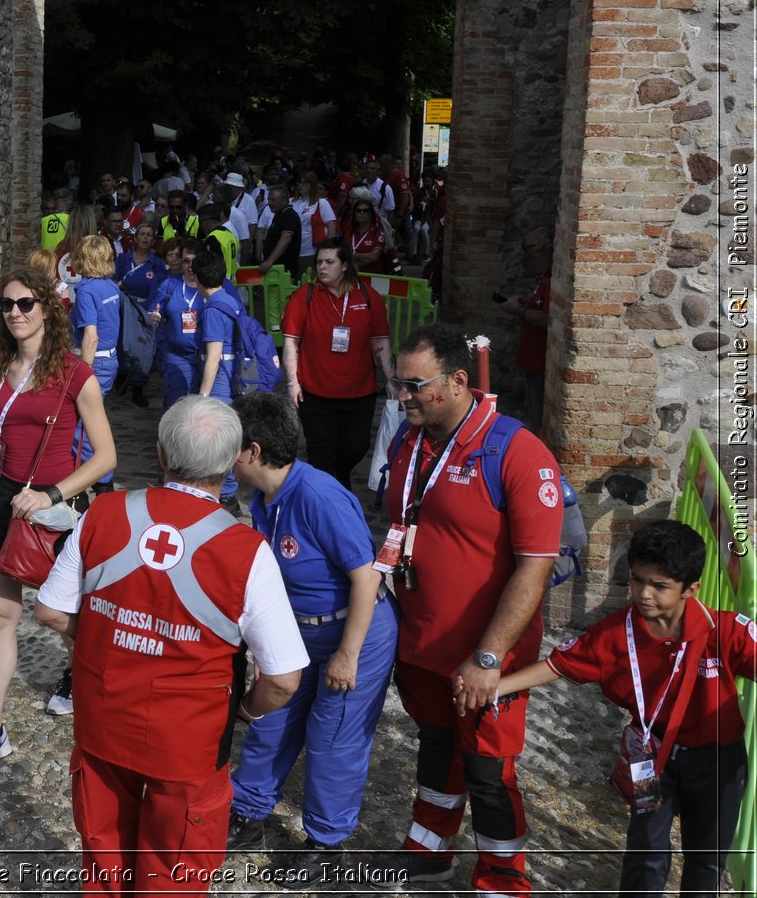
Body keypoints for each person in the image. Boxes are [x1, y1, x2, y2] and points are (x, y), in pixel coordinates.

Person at [33, 396, 308, 896]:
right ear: (231, 464)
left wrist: (108, 637)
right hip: (190, 745)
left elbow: (51, 610)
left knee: (105, 861)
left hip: (103, 724)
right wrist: (244, 710)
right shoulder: (248, 552)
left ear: (160, 453)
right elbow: (285, 679)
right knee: (174, 874)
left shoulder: (102, 514)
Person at [369, 323, 562, 894]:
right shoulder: (410, 440)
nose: (402, 397)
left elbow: (535, 566)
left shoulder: (517, 452)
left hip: (483, 657)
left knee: (488, 768)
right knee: (435, 746)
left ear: (457, 382)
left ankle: (503, 877)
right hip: (422, 643)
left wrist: (489, 655)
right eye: (398, 384)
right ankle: (430, 849)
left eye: (414, 385)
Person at [482, 521, 754, 897]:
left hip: (718, 762)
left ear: (691, 589)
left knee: (707, 857)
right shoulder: (615, 632)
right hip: (649, 754)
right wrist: (492, 686)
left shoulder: (727, 632)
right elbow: (556, 666)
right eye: (637, 580)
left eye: (659, 586)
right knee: (645, 850)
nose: (644, 594)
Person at [225, 393, 398, 872]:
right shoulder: (263, 498)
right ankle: (248, 811)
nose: (224, 456)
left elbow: (367, 577)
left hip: (354, 632)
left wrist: (348, 654)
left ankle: (326, 844)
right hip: (298, 634)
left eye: (230, 446)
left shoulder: (319, 495)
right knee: (271, 720)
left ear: (252, 452)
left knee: (332, 738)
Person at [0, 267, 116, 771]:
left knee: (62, 615)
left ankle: (81, 678)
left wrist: (49, 493)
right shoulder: (0, 367)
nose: (16, 313)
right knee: (0, 617)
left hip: (53, 509)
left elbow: (105, 456)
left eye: (26, 304)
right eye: (7, 305)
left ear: (48, 308)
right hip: (3, 501)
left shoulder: (74, 374)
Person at [281, 238, 395, 493]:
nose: (322, 267)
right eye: (319, 261)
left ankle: (338, 478)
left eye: (329, 262)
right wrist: (292, 382)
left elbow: (380, 342)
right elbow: (291, 343)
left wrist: (391, 379)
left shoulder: (368, 296)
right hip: (316, 393)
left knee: (355, 447)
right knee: (321, 453)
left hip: (359, 392)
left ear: (344, 265)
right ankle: (328, 504)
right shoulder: (305, 296)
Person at [190, 249, 244, 511]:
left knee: (219, 439)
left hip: (220, 384)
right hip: (232, 378)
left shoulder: (212, 310)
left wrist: (202, 397)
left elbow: (213, 357)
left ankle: (228, 495)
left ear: (198, 278)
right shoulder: (230, 298)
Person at [70, 236, 122, 493]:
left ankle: (101, 482)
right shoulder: (111, 287)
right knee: (93, 418)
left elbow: (91, 334)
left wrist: (83, 370)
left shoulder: (87, 290)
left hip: (95, 362)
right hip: (109, 359)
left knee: (80, 424)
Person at [501, 232, 552, 434]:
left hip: (540, 360)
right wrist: (523, 300)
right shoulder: (545, 278)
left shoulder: (553, 278)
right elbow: (538, 302)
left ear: (546, 252)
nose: (531, 262)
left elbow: (546, 318)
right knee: (533, 405)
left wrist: (518, 311)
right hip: (533, 359)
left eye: (533, 256)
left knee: (538, 409)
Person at [115, 222, 166, 407]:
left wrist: (154, 312)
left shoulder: (157, 264)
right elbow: (114, 282)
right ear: (135, 238)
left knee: (142, 348)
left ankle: (138, 387)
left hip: (145, 309)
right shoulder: (122, 259)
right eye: (142, 234)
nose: (145, 237)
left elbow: (160, 290)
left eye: (149, 235)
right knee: (121, 343)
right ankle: (121, 376)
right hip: (125, 307)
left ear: (153, 240)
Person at [147, 240, 203, 409]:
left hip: (208, 357)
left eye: (195, 261)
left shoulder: (214, 284)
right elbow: (153, 310)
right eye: (186, 261)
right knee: (178, 405)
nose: (190, 266)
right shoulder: (170, 285)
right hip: (177, 356)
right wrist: (154, 316)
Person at [289, 170, 338, 278]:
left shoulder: (321, 203)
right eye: (299, 182)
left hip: (311, 251)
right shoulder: (291, 201)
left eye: (305, 183)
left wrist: (330, 250)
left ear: (312, 184)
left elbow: (331, 225)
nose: (301, 185)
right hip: (292, 250)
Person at [258, 185, 300, 275]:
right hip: (276, 271)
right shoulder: (279, 215)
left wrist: (269, 262)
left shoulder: (289, 215)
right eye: (268, 199)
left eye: (273, 200)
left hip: (284, 273)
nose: (269, 203)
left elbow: (286, 238)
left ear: (284, 199)